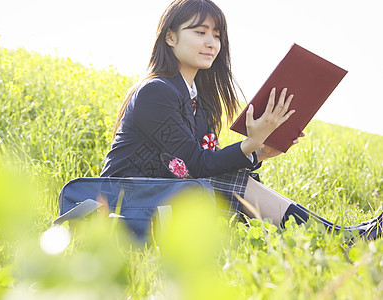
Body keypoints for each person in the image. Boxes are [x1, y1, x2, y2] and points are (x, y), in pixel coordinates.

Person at [100, 0, 381, 240]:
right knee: (222, 181)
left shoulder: (203, 99)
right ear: (170, 37)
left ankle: (336, 238)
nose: (211, 43)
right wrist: (249, 144)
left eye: (217, 35)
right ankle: (340, 239)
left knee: (225, 180)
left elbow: (204, 162)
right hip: (123, 203)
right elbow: (196, 165)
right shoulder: (155, 91)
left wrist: (258, 151)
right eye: (200, 32)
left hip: (164, 200)